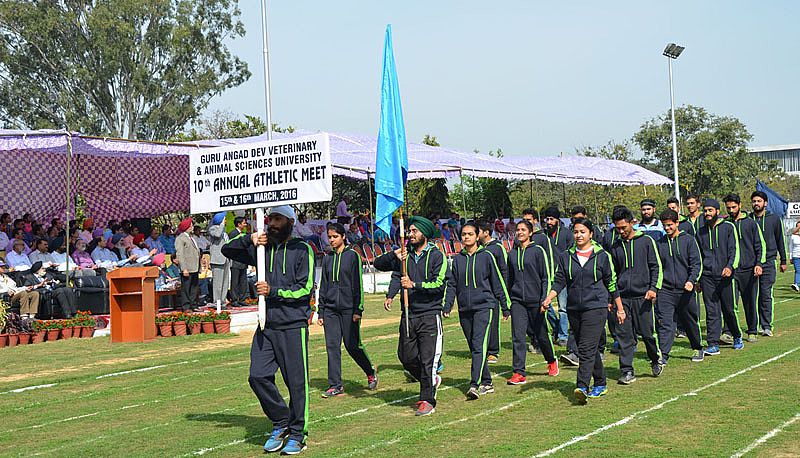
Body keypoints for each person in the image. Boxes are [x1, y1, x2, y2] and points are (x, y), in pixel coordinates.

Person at [222, 205, 314, 455]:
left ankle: (298, 434)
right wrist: (248, 238)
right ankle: (281, 420)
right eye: (269, 218)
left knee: (296, 383)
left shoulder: (302, 249)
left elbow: (304, 289)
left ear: (289, 222)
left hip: (293, 325)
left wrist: (273, 291)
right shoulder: (261, 249)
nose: (271, 223)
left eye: (276, 218)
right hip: (266, 324)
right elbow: (226, 249)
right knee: (257, 376)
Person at [542, 218, 625, 404]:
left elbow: (612, 284)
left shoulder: (602, 256)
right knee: (588, 347)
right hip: (574, 308)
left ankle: (582, 386)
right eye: (576, 232)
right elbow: (559, 280)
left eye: (582, 232)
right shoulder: (566, 256)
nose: (579, 235)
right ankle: (601, 382)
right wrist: (549, 298)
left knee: (586, 348)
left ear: (591, 234)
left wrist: (619, 308)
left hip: (596, 307)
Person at [375, 216, 447, 417]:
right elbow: (379, 264)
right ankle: (430, 380)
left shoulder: (436, 256)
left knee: (428, 360)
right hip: (408, 314)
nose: (410, 234)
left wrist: (415, 285)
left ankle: (427, 400)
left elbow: (439, 285)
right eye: (409, 231)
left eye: (414, 231)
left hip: (429, 315)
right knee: (405, 357)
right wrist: (394, 256)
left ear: (424, 233)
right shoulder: (404, 255)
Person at [443, 222, 510, 399]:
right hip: (465, 309)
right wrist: (448, 305)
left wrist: (505, 306)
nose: (466, 237)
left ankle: (475, 384)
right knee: (474, 347)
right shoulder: (457, 260)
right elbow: (452, 284)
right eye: (464, 234)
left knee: (479, 346)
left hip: (485, 307)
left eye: (470, 234)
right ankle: (487, 383)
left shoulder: (487, 256)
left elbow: (498, 283)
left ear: (477, 235)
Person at [317, 223, 378, 398]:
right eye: (329, 237)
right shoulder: (328, 257)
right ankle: (335, 385)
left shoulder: (353, 256)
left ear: (343, 236)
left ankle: (370, 371)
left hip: (349, 309)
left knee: (352, 345)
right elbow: (324, 285)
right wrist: (321, 311)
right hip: (330, 310)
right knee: (332, 346)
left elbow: (357, 283)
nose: (331, 240)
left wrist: (358, 309)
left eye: (335, 236)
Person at [608, 207, 664, 384]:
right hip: (623, 299)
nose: (621, 231)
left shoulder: (646, 241)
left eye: (624, 227)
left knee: (648, 334)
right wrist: (612, 299)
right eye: (618, 228)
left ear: (632, 222)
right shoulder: (615, 247)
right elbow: (612, 275)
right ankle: (626, 370)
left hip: (643, 297)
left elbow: (656, 267)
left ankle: (655, 359)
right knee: (624, 336)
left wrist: (653, 288)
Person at [506, 220, 559, 385]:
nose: (520, 232)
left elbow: (546, 276)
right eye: (518, 230)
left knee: (541, 334)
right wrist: (509, 299)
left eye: (523, 230)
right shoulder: (512, 254)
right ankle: (519, 372)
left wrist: (545, 298)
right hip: (517, 301)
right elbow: (510, 278)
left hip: (536, 301)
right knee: (518, 336)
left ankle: (551, 360)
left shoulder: (538, 251)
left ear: (530, 233)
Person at [655, 209, 705, 363]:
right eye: (664, 225)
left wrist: (691, 280)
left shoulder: (688, 240)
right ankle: (663, 354)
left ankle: (697, 347)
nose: (667, 228)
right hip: (666, 290)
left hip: (686, 289)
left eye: (670, 225)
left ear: (677, 223)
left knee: (690, 321)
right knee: (666, 323)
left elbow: (697, 264)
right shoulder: (660, 243)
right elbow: (656, 266)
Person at [697, 198, 742, 355]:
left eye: (710, 210)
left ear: (717, 211)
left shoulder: (728, 227)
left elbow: (734, 250)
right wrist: (698, 278)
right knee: (711, 310)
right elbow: (699, 257)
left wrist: (730, 267)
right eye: (705, 210)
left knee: (729, 309)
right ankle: (713, 343)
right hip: (707, 276)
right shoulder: (700, 232)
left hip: (725, 276)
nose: (707, 213)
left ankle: (736, 335)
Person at [724, 193, 765, 343]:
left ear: (740, 205)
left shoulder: (750, 223)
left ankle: (752, 330)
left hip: (749, 269)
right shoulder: (725, 225)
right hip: (731, 271)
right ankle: (728, 331)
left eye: (734, 207)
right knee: (729, 303)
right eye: (728, 208)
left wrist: (759, 264)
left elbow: (760, 245)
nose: (731, 210)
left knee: (749, 302)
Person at [750, 190, 788, 336]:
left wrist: (783, 260)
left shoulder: (774, 219)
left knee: (765, 294)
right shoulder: (748, 219)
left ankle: (766, 326)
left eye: (759, 201)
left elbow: (780, 240)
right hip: (751, 263)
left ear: (765, 203)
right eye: (754, 201)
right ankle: (753, 325)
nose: (756, 204)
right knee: (752, 296)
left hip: (768, 262)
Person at [477, 219, 509, 364]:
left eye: (477, 231)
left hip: (494, 291)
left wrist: (503, 291)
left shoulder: (497, 247)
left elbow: (504, 270)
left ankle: (493, 351)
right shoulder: (478, 248)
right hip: (480, 290)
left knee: (493, 321)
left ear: (486, 233)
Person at [543, 207, 573, 356]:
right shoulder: (543, 235)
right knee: (545, 305)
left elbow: (571, 252)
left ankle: (563, 336)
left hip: (562, 276)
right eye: (547, 219)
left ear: (557, 220)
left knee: (563, 307)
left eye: (551, 219)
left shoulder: (567, 234)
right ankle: (556, 328)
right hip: (546, 276)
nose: (549, 222)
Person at [175, 217, 200, 311]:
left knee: (194, 287)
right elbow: (180, 254)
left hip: (194, 266)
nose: (193, 227)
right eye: (191, 225)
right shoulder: (180, 238)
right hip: (187, 267)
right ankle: (186, 306)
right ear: (187, 227)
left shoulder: (192, 238)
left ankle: (193, 304)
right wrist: (183, 268)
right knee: (186, 288)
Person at [208, 212, 231, 306]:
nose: (225, 221)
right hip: (217, 260)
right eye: (224, 219)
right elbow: (217, 235)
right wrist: (221, 225)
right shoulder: (213, 229)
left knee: (225, 282)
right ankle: (216, 302)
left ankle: (223, 301)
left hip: (225, 259)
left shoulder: (224, 232)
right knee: (218, 283)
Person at [228, 216, 250, 307]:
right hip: (235, 261)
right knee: (235, 281)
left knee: (243, 281)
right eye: (244, 223)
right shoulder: (233, 233)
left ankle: (242, 298)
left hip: (243, 261)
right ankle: (234, 299)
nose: (245, 224)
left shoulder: (243, 233)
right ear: (239, 224)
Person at [790, 221, 800, 292]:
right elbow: (791, 247)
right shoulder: (793, 236)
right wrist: (791, 257)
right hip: (796, 256)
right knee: (798, 270)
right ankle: (796, 284)